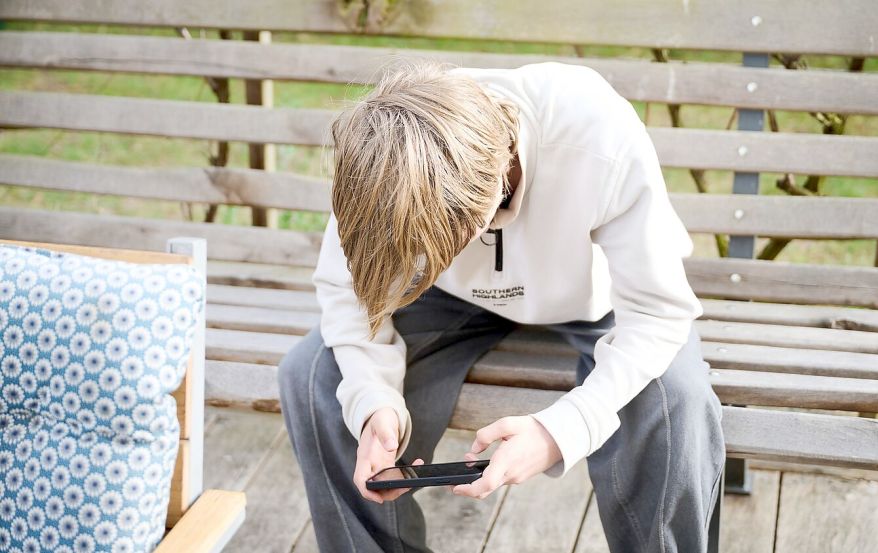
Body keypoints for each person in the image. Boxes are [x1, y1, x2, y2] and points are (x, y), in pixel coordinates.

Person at [277, 59, 725, 553]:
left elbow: (659, 313)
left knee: (675, 395)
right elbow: (348, 290)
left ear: (487, 202)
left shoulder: (597, 133)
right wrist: (371, 400)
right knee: (315, 375)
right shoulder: (385, 157)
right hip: (446, 299)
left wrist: (560, 431)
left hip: (593, 300)